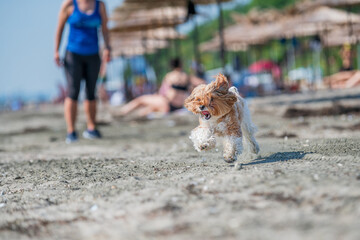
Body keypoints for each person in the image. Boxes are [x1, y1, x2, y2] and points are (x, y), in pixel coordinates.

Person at [54, 0, 111, 143]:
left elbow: (105, 28)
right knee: (73, 92)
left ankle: (91, 128)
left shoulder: (100, 5)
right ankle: (71, 131)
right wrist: (56, 51)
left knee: (91, 92)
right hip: (73, 54)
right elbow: (59, 28)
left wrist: (108, 47)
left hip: (93, 54)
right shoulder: (69, 5)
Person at [117, 58, 205, 118]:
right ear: (181, 65)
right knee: (150, 108)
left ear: (172, 66)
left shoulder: (170, 76)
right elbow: (201, 82)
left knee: (141, 99)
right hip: (178, 106)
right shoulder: (187, 76)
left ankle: (122, 112)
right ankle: (136, 118)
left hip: (167, 103)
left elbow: (162, 91)